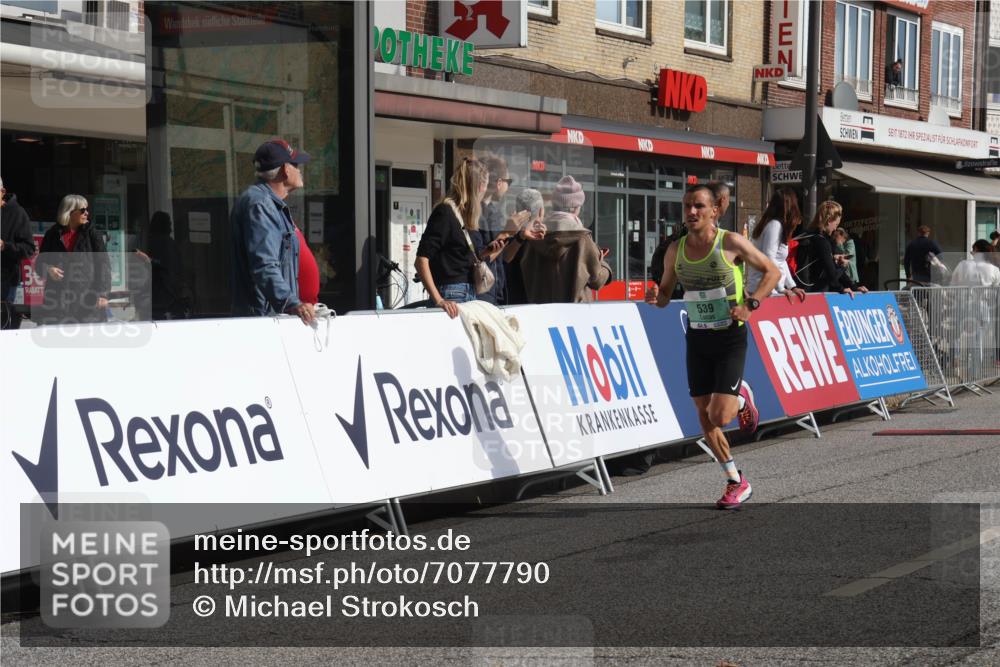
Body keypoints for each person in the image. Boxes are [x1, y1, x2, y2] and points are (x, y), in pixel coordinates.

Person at [645, 184, 780, 509]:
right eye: (688, 206)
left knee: (719, 416)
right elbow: (665, 295)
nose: (692, 212)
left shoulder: (730, 242)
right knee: (704, 417)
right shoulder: (675, 250)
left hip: (730, 336)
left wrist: (751, 305)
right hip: (698, 336)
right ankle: (736, 480)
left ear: (714, 211)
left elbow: (771, 272)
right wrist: (656, 298)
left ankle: (740, 395)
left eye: (699, 207)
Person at [230, 139, 314, 325]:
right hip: (263, 322)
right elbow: (264, 265)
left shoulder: (269, 204)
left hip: (271, 318)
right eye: (295, 165)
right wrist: (293, 303)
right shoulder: (260, 204)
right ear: (285, 169)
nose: (299, 169)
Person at [416, 158, 490, 319]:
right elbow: (421, 260)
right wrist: (439, 300)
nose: (485, 191)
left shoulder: (464, 215)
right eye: (485, 186)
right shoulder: (445, 212)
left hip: (468, 292)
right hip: (452, 294)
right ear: (479, 187)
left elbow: (458, 257)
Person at [519, 175, 612, 303]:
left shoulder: (534, 236)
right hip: (573, 316)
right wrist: (603, 263)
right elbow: (597, 281)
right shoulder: (582, 239)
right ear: (575, 207)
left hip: (540, 314)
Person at [34, 195, 111, 325]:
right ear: (69, 212)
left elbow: (103, 265)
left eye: (87, 209)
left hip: (86, 300)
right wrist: (49, 269)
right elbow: (39, 263)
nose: (87, 213)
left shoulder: (92, 234)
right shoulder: (52, 234)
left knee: (85, 342)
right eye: (82, 210)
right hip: (58, 302)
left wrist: (102, 294)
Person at [745, 187, 806, 302]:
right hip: (764, 290)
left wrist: (792, 286)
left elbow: (780, 261)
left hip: (770, 289)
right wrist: (781, 287)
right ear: (789, 206)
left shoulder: (775, 225)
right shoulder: (774, 225)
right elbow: (769, 258)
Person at [795, 201, 868, 296]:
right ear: (829, 221)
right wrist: (842, 271)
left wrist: (853, 287)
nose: (835, 229)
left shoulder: (808, 234)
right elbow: (831, 272)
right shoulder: (822, 241)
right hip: (815, 293)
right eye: (836, 224)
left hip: (802, 290)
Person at [474, 156, 512, 305]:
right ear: (499, 183)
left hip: (490, 288)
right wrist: (509, 232)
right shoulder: (481, 213)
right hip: (484, 291)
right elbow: (485, 254)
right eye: (508, 182)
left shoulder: (489, 210)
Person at [1, 177, 36, 329]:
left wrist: (5, 246)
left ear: (2, 192)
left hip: (5, 281)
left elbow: (28, 248)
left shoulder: (16, 213)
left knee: (4, 328)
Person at [502, 188, 546, 306]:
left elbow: (504, 259)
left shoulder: (507, 235)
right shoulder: (546, 238)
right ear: (541, 211)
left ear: (517, 210)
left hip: (511, 304)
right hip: (541, 305)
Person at [145, 212, 189, 319]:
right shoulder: (168, 244)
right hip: (166, 298)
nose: (171, 227)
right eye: (169, 223)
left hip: (152, 298)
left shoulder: (148, 242)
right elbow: (174, 270)